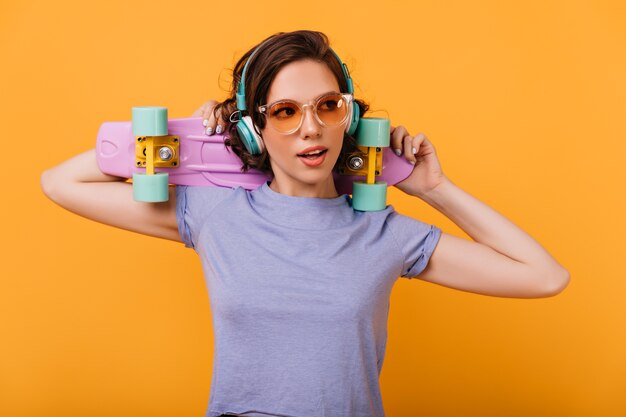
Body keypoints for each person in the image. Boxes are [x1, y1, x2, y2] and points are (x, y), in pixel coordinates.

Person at [41, 30, 570, 417]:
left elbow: (544, 277)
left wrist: (434, 189)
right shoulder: (214, 214)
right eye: (285, 112)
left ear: (350, 117)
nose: (311, 129)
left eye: (327, 106)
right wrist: (185, 137)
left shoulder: (383, 232)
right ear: (254, 129)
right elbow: (61, 182)